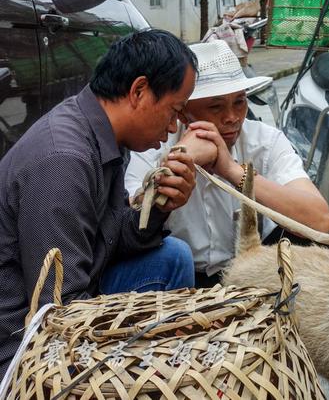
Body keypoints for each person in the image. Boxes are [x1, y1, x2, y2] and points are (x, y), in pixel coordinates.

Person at [0, 29, 214, 378]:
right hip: (20, 344)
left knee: (172, 257)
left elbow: (110, 239)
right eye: (174, 110)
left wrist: (160, 206)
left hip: (72, 295)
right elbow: (59, 313)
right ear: (139, 91)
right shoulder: (63, 160)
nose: (174, 125)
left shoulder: (104, 134)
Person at [125, 40, 329, 287]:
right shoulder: (155, 146)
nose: (232, 118)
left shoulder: (264, 141)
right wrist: (178, 162)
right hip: (183, 280)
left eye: (239, 102)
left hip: (254, 271)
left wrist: (231, 170)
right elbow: (130, 218)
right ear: (182, 112)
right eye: (215, 107)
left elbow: (319, 221)